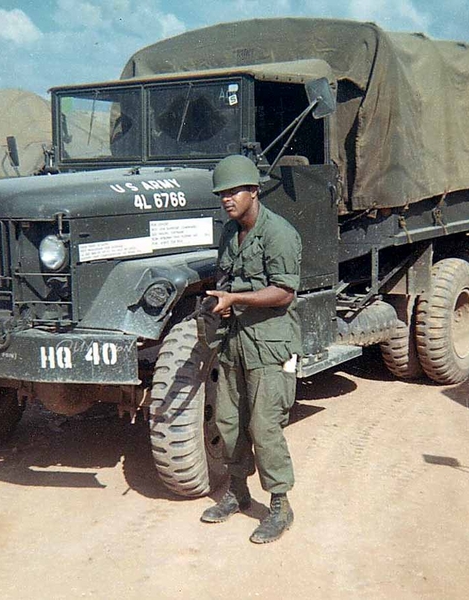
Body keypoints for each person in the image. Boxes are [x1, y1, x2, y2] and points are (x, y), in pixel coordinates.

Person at [200, 154, 302, 544]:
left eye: (234, 191)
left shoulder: (280, 233)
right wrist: (217, 299)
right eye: (222, 193)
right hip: (234, 341)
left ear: (254, 191)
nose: (227, 199)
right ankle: (237, 492)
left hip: (268, 344)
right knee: (228, 421)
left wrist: (235, 299)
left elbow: (284, 292)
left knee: (265, 426)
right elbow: (227, 272)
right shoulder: (230, 232)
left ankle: (279, 505)